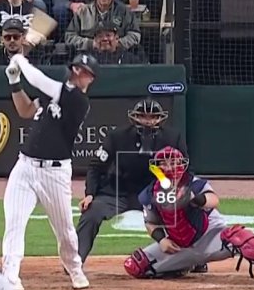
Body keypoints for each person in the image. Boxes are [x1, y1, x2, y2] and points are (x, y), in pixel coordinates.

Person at [0, 52, 98, 290]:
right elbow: (24, 110)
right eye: (79, 69)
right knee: (14, 223)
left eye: (86, 73)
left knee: (64, 229)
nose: (81, 74)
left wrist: (20, 60)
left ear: (91, 79)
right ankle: (10, 277)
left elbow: (38, 79)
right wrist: (14, 81)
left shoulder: (78, 101)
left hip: (55, 173)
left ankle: (75, 268)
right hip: (25, 167)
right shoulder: (54, 93)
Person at [123, 146, 254, 283]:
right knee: (135, 265)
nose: (169, 166)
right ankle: (184, 265)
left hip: (210, 236)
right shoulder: (150, 193)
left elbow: (213, 200)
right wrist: (162, 239)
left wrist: (195, 198)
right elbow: (151, 222)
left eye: (173, 162)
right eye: (164, 163)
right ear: (157, 167)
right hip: (178, 246)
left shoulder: (194, 184)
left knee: (239, 236)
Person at [76, 97, 187, 265]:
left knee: (184, 211)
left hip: (154, 194)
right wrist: (90, 194)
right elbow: (96, 167)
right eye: (143, 116)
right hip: (119, 192)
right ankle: (75, 261)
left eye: (153, 117)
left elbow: (185, 169)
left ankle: (192, 257)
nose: (148, 121)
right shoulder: (117, 137)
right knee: (92, 212)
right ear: (134, 117)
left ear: (160, 118)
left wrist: (184, 191)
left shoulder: (173, 138)